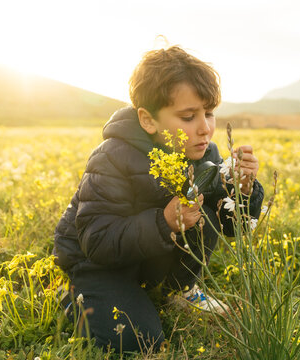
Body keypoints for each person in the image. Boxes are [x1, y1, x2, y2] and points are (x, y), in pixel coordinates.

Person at [53, 45, 264, 353]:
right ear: (148, 120)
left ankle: (178, 289)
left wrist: (243, 189)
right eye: (189, 116)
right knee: (138, 338)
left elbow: (233, 227)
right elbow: (96, 241)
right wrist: (164, 222)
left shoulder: (205, 156)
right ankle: (78, 295)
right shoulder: (113, 157)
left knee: (203, 214)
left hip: (148, 250)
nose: (205, 128)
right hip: (97, 262)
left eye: (209, 113)